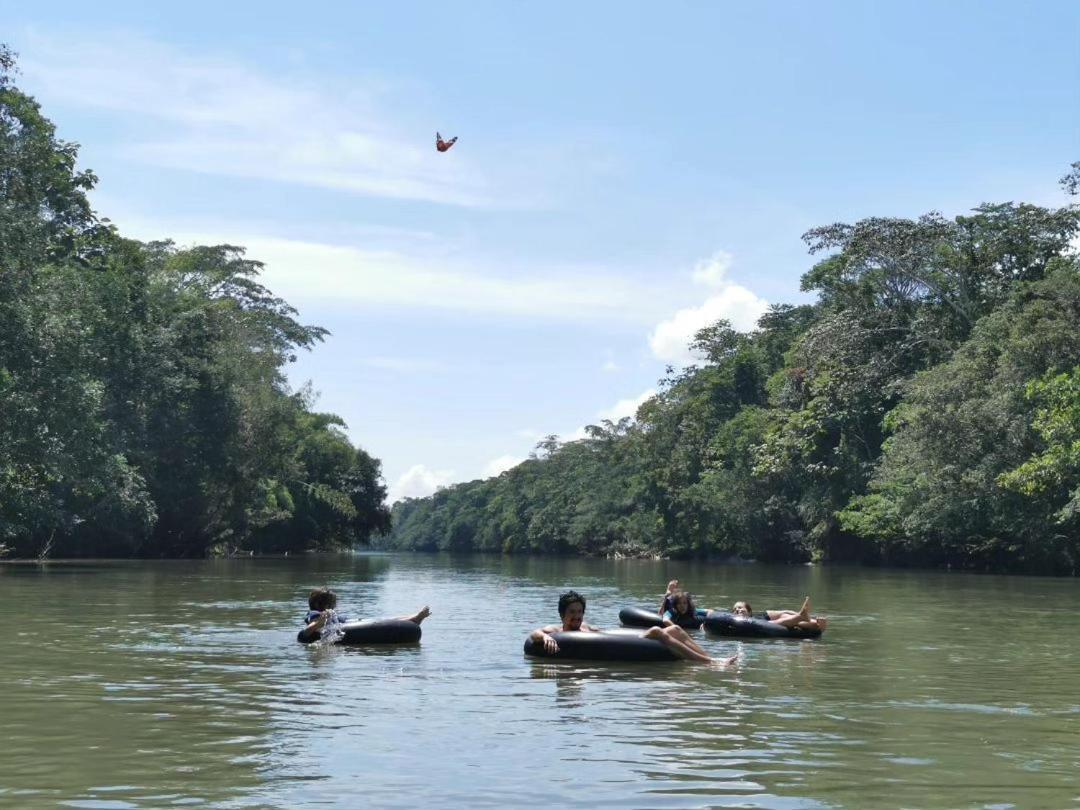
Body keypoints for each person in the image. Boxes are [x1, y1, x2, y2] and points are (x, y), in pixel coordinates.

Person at [531, 590, 738, 667]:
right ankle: (710, 663)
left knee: (674, 630)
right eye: (572, 612)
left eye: (579, 611)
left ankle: (709, 659)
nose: (576, 616)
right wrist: (543, 637)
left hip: (626, 643)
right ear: (562, 614)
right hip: (629, 645)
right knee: (658, 631)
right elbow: (533, 635)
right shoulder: (556, 629)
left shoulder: (585, 626)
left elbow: (606, 635)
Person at [298, 587, 432, 643]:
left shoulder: (331, 615)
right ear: (321, 604)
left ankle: (414, 619)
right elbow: (307, 631)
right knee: (384, 623)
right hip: (345, 629)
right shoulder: (315, 614)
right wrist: (319, 623)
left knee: (388, 619)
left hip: (348, 623)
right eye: (333, 603)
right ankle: (415, 619)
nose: (335, 606)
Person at [732, 597, 827, 633]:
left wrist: (806, 618)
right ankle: (803, 617)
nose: (737, 610)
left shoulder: (760, 615)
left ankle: (815, 623)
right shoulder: (731, 622)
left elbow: (783, 612)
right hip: (768, 624)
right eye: (735, 609)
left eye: (740, 607)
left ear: (749, 611)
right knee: (783, 621)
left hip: (768, 621)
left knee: (785, 615)